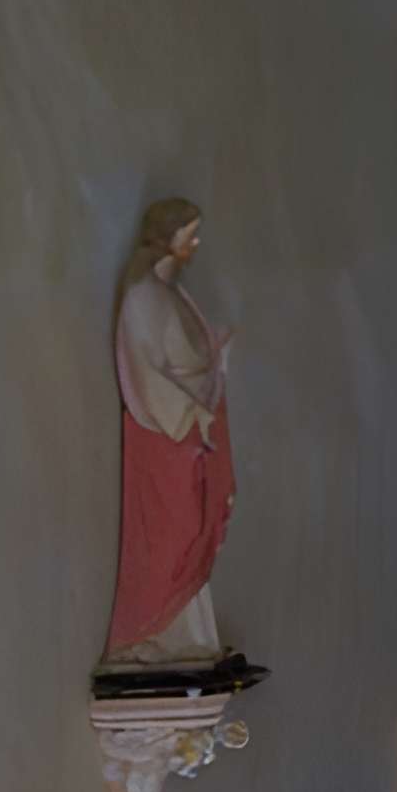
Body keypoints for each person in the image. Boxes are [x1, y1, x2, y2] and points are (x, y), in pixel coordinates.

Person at [105, 197, 235, 666]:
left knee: (194, 526)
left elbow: (189, 361)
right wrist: (190, 409)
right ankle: (147, 633)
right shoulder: (143, 296)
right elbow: (146, 373)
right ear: (169, 237)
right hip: (163, 434)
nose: (194, 245)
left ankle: (181, 632)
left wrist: (213, 360)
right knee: (170, 531)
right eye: (189, 235)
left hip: (187, 434)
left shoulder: (170, 293)